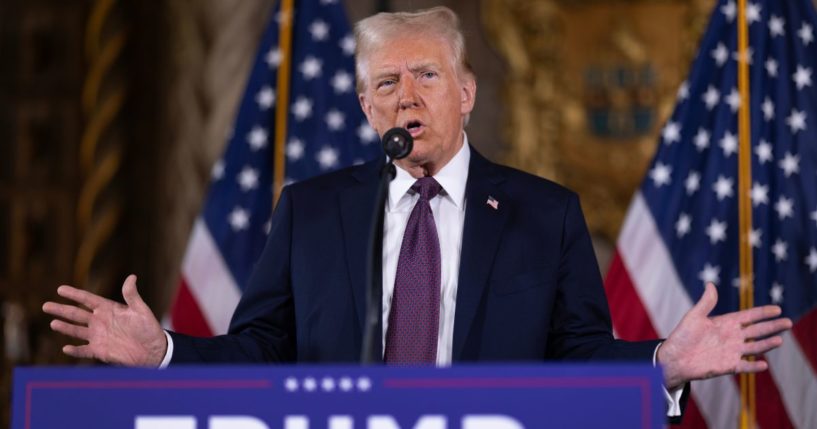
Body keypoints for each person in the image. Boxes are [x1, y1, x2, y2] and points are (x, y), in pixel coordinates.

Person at [43, 7, 791, 421]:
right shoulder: (311, 211)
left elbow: (577, 359)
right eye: (386, 83)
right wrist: (166, 353)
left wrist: (664, 363)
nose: (407, 96)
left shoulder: (543, 212)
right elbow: (262, 352)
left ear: (464, 92)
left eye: (426, 74)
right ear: (367, 107)